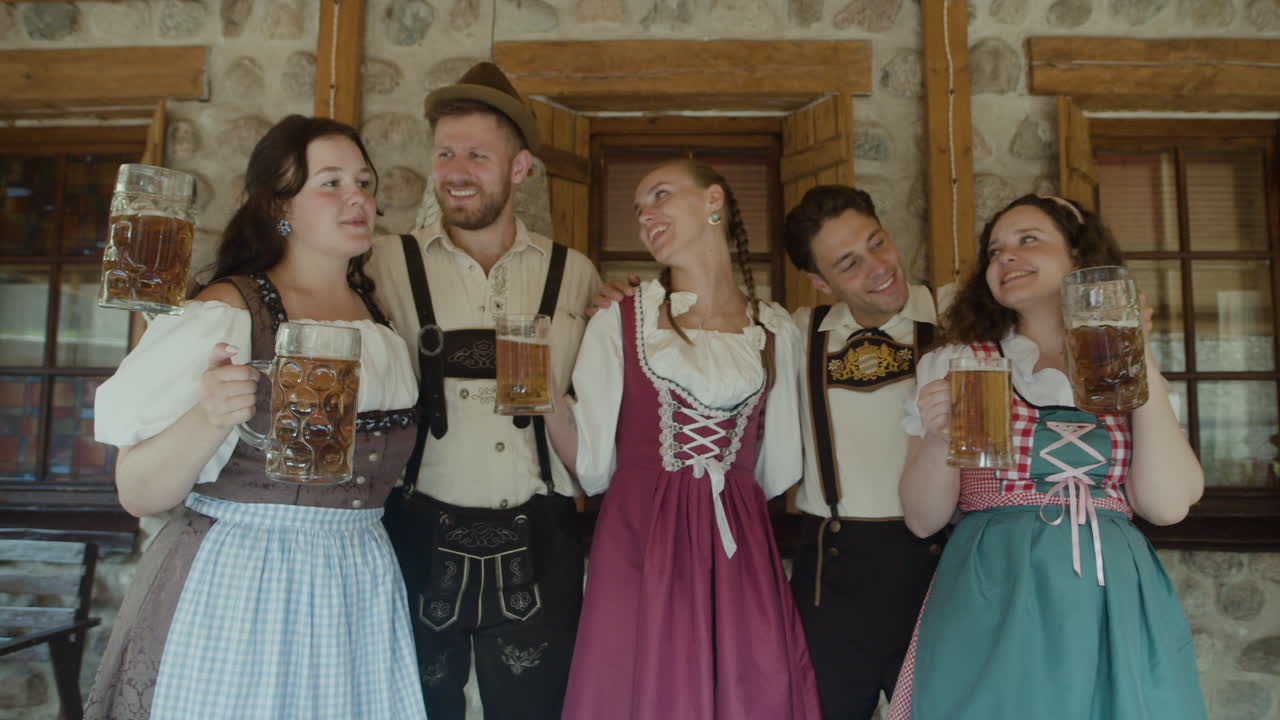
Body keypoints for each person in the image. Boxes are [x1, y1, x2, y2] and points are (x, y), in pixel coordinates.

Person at [84, 115, 428, 719]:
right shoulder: (225, 311)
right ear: (279, 206)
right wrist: (209, 416)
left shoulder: (381, 319)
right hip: (243, 578)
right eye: (330, 182)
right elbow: (137, 490)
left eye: (365, 182)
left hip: (354, 578)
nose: (358, 197)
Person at [887, 194, 1207, 720]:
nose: (1005, 258)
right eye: (995, 251)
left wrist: (1137, 351)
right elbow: (924, 521)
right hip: (995, 588)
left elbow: (1166, 504)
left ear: (1079, 257)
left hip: (1111, 596)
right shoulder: (962, 362)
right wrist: (940, 433)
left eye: (1027, 240)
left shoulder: (1120, 367)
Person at [544, 158, 821, 720]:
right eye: (638, 208)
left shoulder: (774, 331)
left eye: (661, 196)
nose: (646, 215)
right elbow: (593, 464)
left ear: (713, 200)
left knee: (745, 687)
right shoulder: (621, 320)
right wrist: (542, 394)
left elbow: (777, 466)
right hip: (640, 542)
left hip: (734, 547)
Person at [367, 62, 600, 720]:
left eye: (476, 153)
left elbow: (604, 398)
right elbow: (293, 248)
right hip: (417, 531)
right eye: (445, 152)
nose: (456, 169)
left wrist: (625, 308)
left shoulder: (575, 274)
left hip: (542, 537)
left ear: (520, 167)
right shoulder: (385, 262)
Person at [781, 185, 947, 719]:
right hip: (832, 575)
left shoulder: (956, 312)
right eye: (849, 264)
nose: (878, 267)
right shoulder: (794, 335)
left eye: (877, 242)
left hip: (940, 566)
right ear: (819, 282)